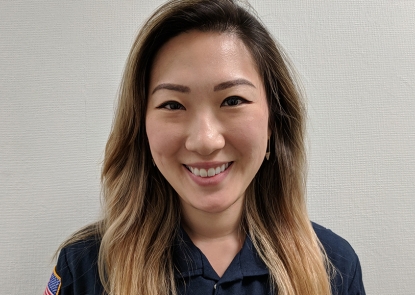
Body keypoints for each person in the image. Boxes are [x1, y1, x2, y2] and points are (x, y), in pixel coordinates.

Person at [44, 0, 365, 294]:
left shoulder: (334, 268)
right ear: (141, 127)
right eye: (172, 105)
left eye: (233, 100)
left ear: (273, 123)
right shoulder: (84, 269)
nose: (205, 141)